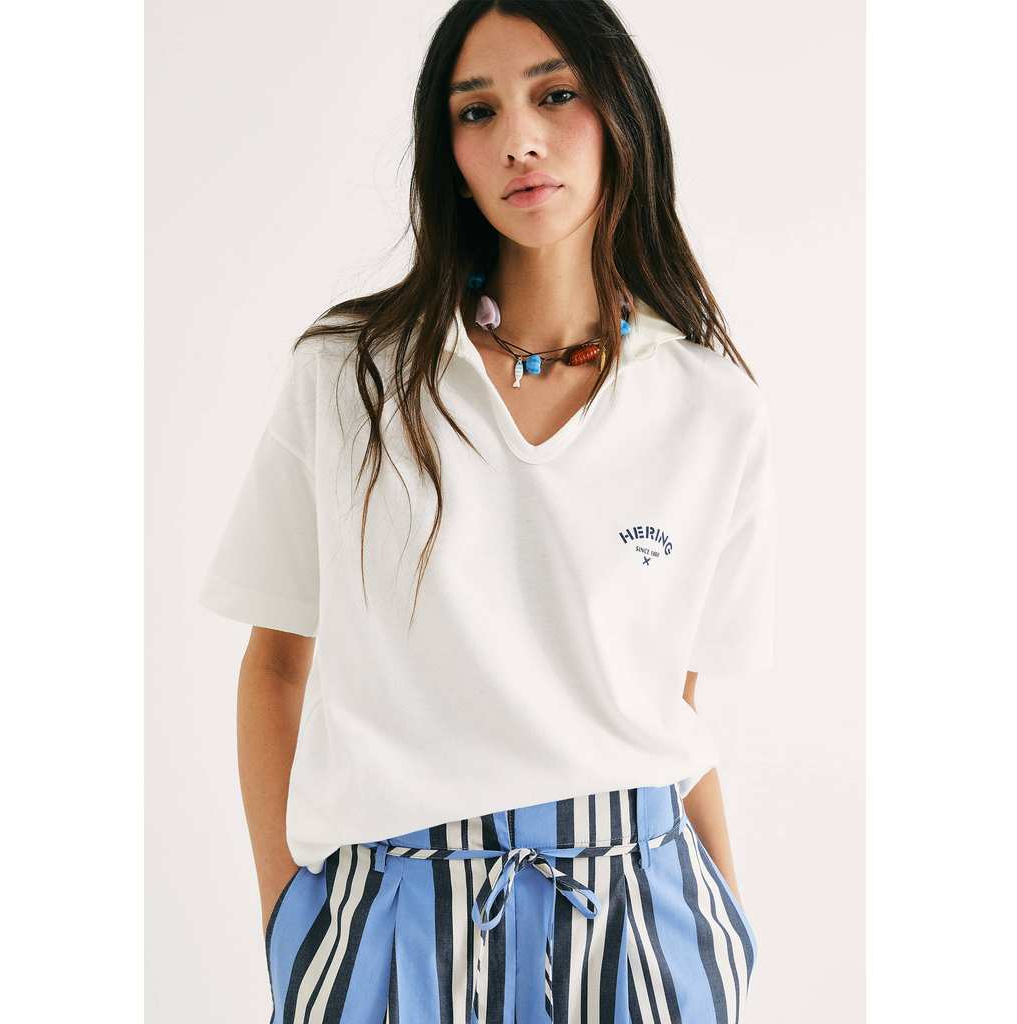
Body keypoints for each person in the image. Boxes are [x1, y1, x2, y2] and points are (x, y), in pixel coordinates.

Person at [198, 2, 776, 1021]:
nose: (519, 139)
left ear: (622, 111)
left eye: (556, 94)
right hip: (392, 920)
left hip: (642, 915)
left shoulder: (712, 406)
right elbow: (277, 662)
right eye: (477, 111)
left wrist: (722, 932)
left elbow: (673, 705)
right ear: (449, 153)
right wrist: (293, 922)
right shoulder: (351, 377)